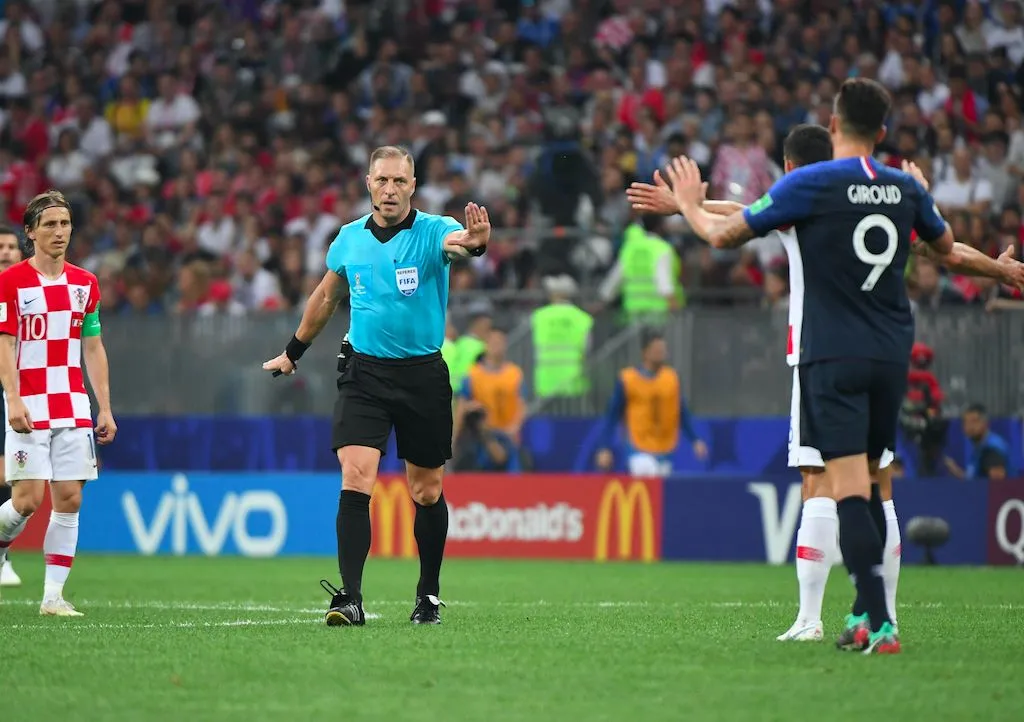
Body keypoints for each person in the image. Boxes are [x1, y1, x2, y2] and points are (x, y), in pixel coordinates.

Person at [634, 119, 1024, 648]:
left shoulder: (806, 202)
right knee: (879, 484)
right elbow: (945, 252)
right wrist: (999, 272)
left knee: (818, 481)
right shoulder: (885, 197)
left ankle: (810, 617)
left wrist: (686, 205)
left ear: (791, 168)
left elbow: (735, 218)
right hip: (885, 356)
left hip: (823, 355)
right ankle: (883, 616)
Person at [262, 146, 490, 627]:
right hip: (364, 372)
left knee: (425, 491)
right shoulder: (347, 240)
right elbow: (326, 297)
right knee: (356, 476)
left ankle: (427, 596)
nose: (390, 190)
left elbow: (462, 245)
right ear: (368, 183)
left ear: (413, 186)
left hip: (423, 375)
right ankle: (349, 598)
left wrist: (477, 242)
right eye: (382, 181)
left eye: (400, 182)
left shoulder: (434, 231)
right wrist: (292, 352)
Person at [0, 191, 117, 615]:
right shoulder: (11, 281)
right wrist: (12, 398)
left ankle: (53, 597)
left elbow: (93, 347)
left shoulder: (85, 283)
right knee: (27, 501)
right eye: (49, 224)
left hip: (71, 403)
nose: (59, 232)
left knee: (69, 498)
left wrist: (103, 406)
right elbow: (5, 342)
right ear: (30, 232)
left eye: (65, 224)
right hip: (29, 403)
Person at [595, 330, 708, 476]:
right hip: (638, 447)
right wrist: (604, 447)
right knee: (648, 476)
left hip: (665, 448)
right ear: (645, 353)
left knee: (660, 491)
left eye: (662, 350)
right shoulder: (628, 379)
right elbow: (612, 415)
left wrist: (695, 439)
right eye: (656, 350)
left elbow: (681, 411)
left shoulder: (671, 378)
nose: (660, 353)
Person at [0, 225, 24, 589]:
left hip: (14, 389)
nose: (5, 251)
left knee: (7, 474)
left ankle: (2, 557)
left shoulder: (28, 290)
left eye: (10, 246)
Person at [945, 403, 1013, 480]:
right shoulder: (979, 447)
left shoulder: (992, 449)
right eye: (966, 422)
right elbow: (974, 481)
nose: (970, 426)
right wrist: (956, 471)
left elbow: (997, 486)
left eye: (974, 421)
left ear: (985, 423)